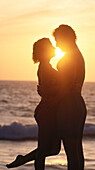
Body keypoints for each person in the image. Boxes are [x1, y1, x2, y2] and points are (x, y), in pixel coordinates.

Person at [6, 38, 61, 170]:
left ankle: (23, 159)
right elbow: (48, 90)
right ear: (44, 51)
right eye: (51, 47)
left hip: (49, 110)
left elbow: (47, 90)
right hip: (46, 111)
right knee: (43, 150)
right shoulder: (45, 68)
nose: (54, 48)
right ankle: (24, 160)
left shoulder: (46, 67)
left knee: (54, 149)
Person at [53, 24, 87, 170]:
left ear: (65, 38)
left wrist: (51, 101)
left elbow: (65, 86)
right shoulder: (77, 54)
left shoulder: (71, 56)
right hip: (76, 103)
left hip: (69, 106)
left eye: (58, 40)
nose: (56, 45)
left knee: (71, 149)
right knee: (76, 148)